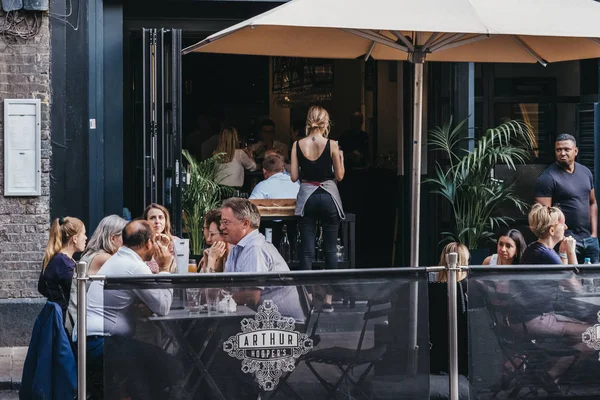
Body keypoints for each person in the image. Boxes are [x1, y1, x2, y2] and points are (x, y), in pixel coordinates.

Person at [79, 220, 176, 399]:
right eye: (154, 241)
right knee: (169, 365)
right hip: (102, 343)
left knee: (151, 365)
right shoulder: (135, 267)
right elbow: (163, 307)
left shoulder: (121, 258)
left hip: (92, 339)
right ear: (148, 243)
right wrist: (164, 268)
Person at [508, 203, 592, 386]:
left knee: (585, 331)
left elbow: (562, 277)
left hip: (527, 318)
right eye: (563, 223)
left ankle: (550, 376)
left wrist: (563, 253)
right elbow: (575, 287)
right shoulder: (546, 254)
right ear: (553, 229)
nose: (567, 227)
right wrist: (570, 251)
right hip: (535, 320)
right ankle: (551, 376)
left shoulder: (536, 249)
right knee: (596, 334)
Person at [291, 105, 345, 312]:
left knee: (307, 252)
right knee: (330, 250)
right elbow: (339, 177)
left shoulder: (297, 145)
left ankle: (308, 299)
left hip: (307, 198)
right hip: (329, 197)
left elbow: (294, 176)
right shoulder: (333, 144)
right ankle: (328, 301)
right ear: (326, 123)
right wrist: (339, 159)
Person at [220, 197, 303, 321]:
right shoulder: (237, 247)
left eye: (226, 222)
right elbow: (226, 286)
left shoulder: (255, 248)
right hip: (265, 320)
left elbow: (252, 297)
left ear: (245, 224)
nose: (221, 227)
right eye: (221, 222)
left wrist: (219, 298)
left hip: (285, 325)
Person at [535, 133, 598, 263]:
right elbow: (544, 216)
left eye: (566, 149)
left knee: (595, 280)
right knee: (568, 280)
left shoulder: (585, 172)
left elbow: (592, 202)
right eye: (558, 150)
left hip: (589, 239)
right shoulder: (547, 178)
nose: (562, 153)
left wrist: (594, 233)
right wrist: (561, 239)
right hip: (565, 241)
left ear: (575, 151)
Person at [67, 214, 127, 333]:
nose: (126, 242)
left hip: (79, 320)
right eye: (124, 237)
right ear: (113, 238)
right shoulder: (104, 258)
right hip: (84, 326)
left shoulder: (91, 254)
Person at [429, 242, 470, 376]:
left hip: (437, 352)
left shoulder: (433, 289)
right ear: (464, 262)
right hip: (465, 352)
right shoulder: (469, 288)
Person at [38, 216, 87, 323]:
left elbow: (41, 287)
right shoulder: (63, 262)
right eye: (83, 234)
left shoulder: (59, 259)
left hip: (57, 316)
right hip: (65, 320)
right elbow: (76, 291)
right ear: (75, 238)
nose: (86, 238)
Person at [143, 203, 178, 274]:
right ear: (146, 221)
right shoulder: (142, 244)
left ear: (166, 220)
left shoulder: (177, 242)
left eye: (161, 217)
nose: (157, 221)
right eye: (152, 218)